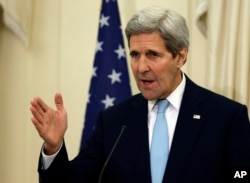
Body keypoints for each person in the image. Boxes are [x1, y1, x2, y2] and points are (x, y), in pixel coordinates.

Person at [30, 6, 250, 183]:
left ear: (180, 56)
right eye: (135, 54)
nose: (141, 67)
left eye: (152, 55)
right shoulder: (114, 121)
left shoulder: (226, 117)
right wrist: (54, 147)